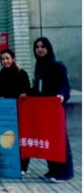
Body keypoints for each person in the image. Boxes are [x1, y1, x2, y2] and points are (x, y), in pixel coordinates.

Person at [31, 37, 73, 183]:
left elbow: (65, 86)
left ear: (48, 48)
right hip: (44, 109)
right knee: (48, 139)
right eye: (37, 47)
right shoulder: (39, 67)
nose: (40, 49)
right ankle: (53, 169)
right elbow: (38, 89)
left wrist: (61, 95)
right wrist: (26, 94)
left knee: (60, 139)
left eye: (43, 46)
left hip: (56, 108)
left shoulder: (58, 66)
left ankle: (65, 172)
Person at [0, 49, 30, 175]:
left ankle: (23, 167)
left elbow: (26, 92)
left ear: (13, 59)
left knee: (21, 139)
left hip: (19, 112)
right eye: (3, 59)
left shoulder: (21, 73)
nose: (5, 61)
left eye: (7, 58)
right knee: (8, 139)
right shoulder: (0, 75)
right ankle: (10, 164)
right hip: (5, 113)